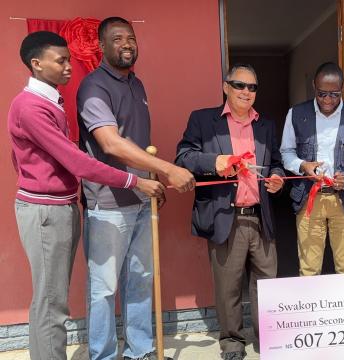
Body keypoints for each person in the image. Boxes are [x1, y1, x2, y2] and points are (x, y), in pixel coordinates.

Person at [8, 31, 164, 360]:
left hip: (61, 207)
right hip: (47, 212)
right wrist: (136, 180)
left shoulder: (51, 100)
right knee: (52, 303)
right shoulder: (30, 107)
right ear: (36, 64)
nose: (68, 67)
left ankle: (139, 351)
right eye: (61, 61)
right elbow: (79, 160)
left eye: (69, 59)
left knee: (56, 299)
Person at [77, 17, 195, 360]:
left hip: (142, 199)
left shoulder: (136, 84)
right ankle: (103, 355)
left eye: (130, 37)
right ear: (101, 46)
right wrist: (168, 169)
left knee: (140, 280)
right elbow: (111, 143)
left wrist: (152, 181)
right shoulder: (94, 86)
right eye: (117, 39)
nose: (126, 43)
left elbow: (138, 144)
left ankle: (140, 351)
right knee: (103, 290)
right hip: (108, 205)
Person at [176, 63, 284, 360]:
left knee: (267, 283)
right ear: (226, 87)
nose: (246, 92)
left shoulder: (265, 125)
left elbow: (275, 161)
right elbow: (184, 157)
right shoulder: (203, 120)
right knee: (228, 287)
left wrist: (276, 178)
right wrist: (216, 161)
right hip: (227, 216)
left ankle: (269, 340)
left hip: (261, 216)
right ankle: (233, 343)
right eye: (239, 85)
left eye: (252, 87)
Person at [280, 62, 344, 275]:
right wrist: (302, 166)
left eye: (334, 94)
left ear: (343, 88)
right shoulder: (296, 114)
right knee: (309, 267)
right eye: (322, 94)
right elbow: (286, 153)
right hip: (309, 199)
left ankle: (343, 308)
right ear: (314, 86)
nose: (328, 100)